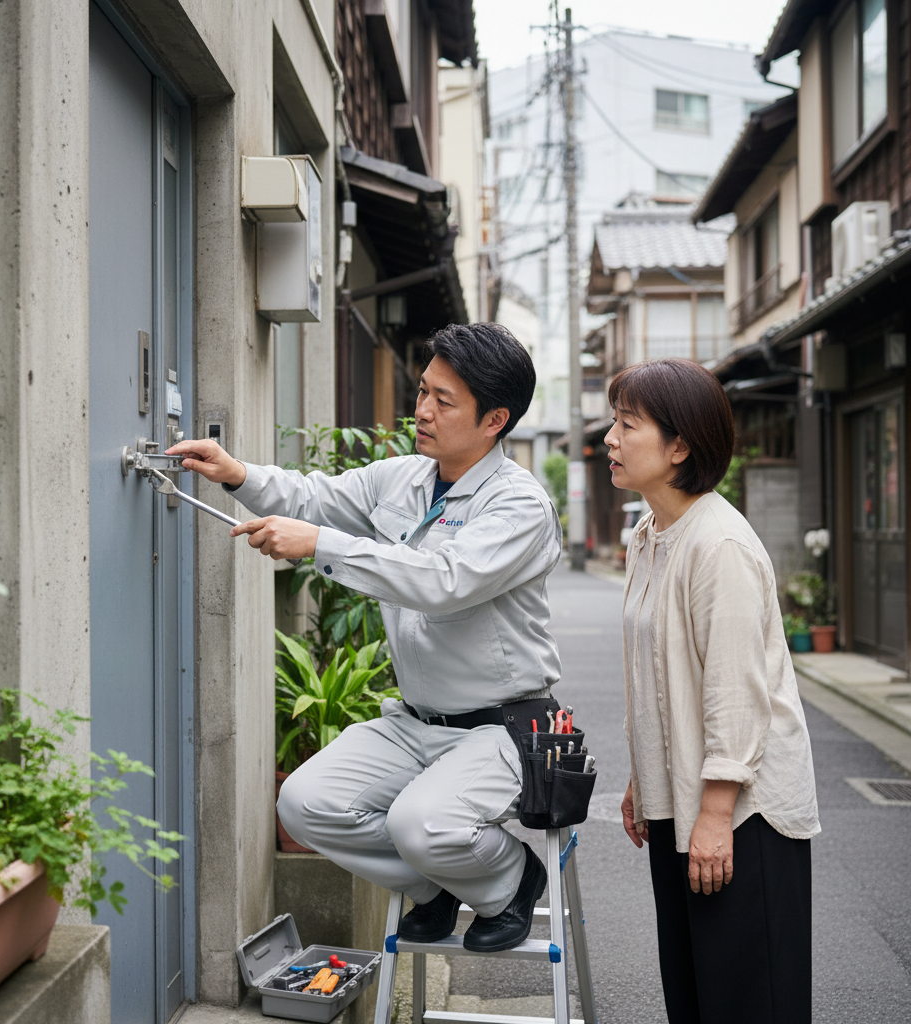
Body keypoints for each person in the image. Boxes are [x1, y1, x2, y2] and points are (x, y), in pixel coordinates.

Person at [167, 323, 564, 952]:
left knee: (420, 823)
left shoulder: (518, 506)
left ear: (495, 420)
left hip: (503, 728)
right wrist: (235, 474)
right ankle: (435, 889)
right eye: (423, 392)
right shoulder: (406, 477)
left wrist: (321, 546)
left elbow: (443, 580)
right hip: (415, 723)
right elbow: (316, 497)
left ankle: (510, 879)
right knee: (304, 803)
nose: (423, 411)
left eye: (444, 400)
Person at [605, 358, 820, 1024]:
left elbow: (735, 692)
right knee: (696, 995)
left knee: (748, 1000)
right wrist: (647, 778)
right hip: (688, 804)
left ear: (679, 446)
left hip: (741, 814)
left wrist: (715, 813)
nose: (609, 439)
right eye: (613, 422)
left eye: (626, 424)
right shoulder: (652, 536)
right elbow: (658, 676)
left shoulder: (718, 544)